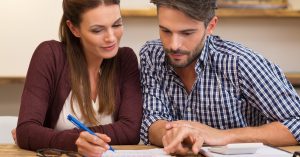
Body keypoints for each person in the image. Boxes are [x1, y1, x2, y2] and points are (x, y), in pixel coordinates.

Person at [139, 0, 300, 155]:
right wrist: (171, 135)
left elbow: (296, 122)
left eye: (187, 33)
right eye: (166, 31)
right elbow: (153, 119)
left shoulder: (239, 62)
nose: (174, 45)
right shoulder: (152, 55)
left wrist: (222, 136)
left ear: (211, 26)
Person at [13, 0, 142, 156]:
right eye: (97, 30)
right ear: (74, 28)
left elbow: (130, 131)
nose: (111, 38)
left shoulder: (125, 60)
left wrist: (51, 136)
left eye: (116, 25)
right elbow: (26, 131)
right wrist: (75, 141)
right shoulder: (50, 56)